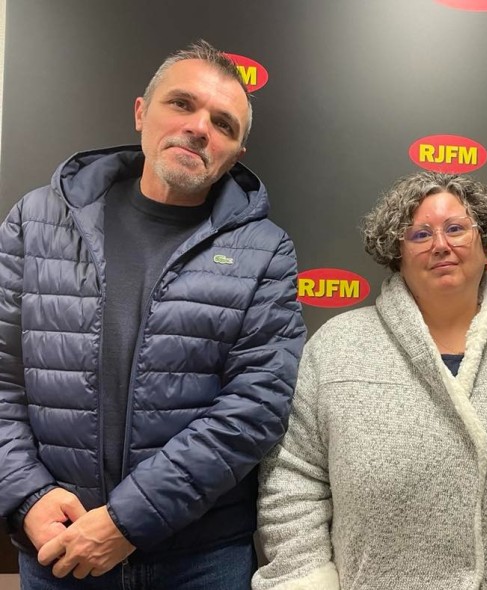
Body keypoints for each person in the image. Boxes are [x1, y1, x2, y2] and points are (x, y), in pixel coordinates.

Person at [0, 40, 306, 588]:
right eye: (181, 104)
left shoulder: (265, 250)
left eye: (223, 124)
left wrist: (127, 522)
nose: (199, 128)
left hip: (199, 559)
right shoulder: (36, 221)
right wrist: (26, 495)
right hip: (58, 546)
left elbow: (256, 405)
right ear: (141, 112)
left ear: (235, 152)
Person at [252, 171, 487, 589]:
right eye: (420, 234)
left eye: (456, 229)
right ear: (397, 253)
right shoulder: (337, 348)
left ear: (485, 242)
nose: (441, 245)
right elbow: (294, 480)